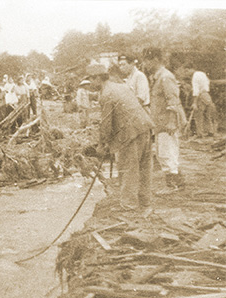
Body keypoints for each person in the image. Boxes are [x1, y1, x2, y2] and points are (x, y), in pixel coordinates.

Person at [87, 63, 154, 211]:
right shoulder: (121, 86)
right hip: (145, 128)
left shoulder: (106, 95)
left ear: (98, 78)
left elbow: (106, 125)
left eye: (91, 80)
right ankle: (145, 202)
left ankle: (129, 206)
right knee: (144, 168)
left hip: (130, 133)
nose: (91, 84)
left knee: (128, 169)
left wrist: (102, 145)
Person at [142, 47, 186, 190]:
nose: (145, 64)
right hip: (160, 122)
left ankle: (175, 185)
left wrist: (172, 121)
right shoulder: (157, 77)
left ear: (155, 60)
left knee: (168, 153)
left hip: (167, 122)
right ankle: (173, 184)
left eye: (147, 61)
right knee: (162, 153)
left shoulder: (165, 77)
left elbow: (172, 100)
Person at [191, 71, 217, 138]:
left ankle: (200, 134)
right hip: (207, 95)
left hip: (201, 96)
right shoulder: (203, 74)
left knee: (198, 115)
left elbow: (196, 90)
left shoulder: (195, 76)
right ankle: (211, 132)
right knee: (207, 115)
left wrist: (194, 103)